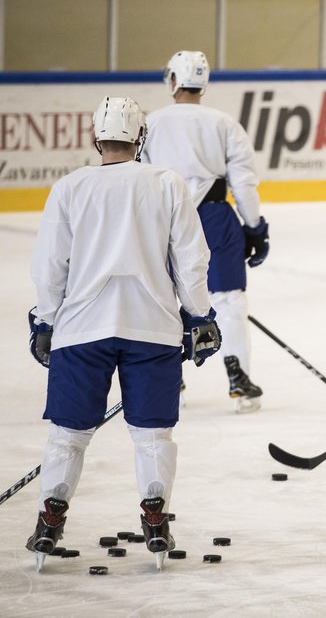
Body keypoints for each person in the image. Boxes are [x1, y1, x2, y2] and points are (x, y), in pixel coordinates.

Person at [27, 96, 220, 572]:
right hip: (152, 329)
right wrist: (199, 315)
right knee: (154, 436)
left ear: (95, 136)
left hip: (80, 331)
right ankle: (155, 518)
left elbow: (50, 264)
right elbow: (192, 258)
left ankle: (50, 518)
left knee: (68, 436)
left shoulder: (69, 188)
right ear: (141, 138)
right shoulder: (167, 183)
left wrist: (46, 318)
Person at [141, 50, 269, 413]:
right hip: (215, 218)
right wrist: (255, 227)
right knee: (229, 299)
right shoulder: (224, 123)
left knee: (162, 297)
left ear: (173, 80)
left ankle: (168, 378)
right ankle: (239, 378)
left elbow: (139, 179)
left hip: (166, 218)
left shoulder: (152, 122)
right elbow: (243, 183)